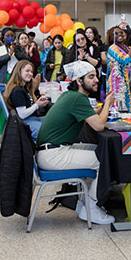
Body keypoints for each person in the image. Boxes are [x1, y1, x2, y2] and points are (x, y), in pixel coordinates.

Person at [36, 61, 116, 224]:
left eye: (96, 76)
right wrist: (107, 103)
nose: (96, 80)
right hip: (53, 155)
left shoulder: (69, 95)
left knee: (98, 150)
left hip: (49, 152)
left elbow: (89, 114)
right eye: (91, 77)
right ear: (79, 81)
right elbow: (99, 126)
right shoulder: (78, 99)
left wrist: (100, 110)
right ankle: (92, 207)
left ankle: (83, 204)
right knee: (104, 160)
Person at [3, 60, 51, 140]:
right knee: (51, 131)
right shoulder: (17, 91)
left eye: (31, 72)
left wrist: (39, 103)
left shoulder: (23, 88)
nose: (31, 74)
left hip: (31, 119)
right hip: (25, 123)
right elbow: (22, 114)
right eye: (27, 71)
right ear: (19, 71)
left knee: (54, 121)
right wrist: (37, 105)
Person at [106, 26, 131, 113]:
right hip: (118, 85)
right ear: (111, 36)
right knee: (121, 111)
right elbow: (125, 61)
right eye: (116, 33)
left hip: (129, 81)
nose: (120, 34)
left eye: (121, 32)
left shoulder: (125, 47)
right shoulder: (112, 48)